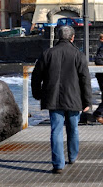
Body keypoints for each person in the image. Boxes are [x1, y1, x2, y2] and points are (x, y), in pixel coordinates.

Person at [31, 25, 92, 174]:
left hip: (53, 98)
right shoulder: (78, 55)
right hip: (74, 98)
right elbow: (85, 79)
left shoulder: (48, 53)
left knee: (56, 130)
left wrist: (37, 94)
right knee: (73, 128)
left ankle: (58, 164)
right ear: (72, 37)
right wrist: (87, 101)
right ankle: (72, 156)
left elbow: (36, 76)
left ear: (59, 37)